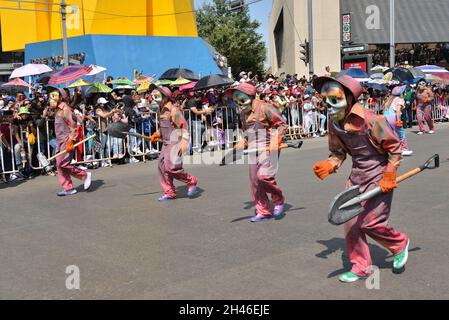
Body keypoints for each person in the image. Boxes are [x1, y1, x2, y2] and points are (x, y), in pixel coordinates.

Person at [312, 75, 409, 283]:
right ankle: (360, 266)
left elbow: (395, 149)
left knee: (371, 222)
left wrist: (390, 173)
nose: (329, 106)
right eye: (325, 100)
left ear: (349, 99)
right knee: (351, 223)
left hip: (379, 174)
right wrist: (330, 164)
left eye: (334, 100)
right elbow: (338, 152)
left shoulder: (372, 120)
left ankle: (399, 243)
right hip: (357, 176)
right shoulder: (334, 122)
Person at [226, 82, 288, 222]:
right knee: (255, 181)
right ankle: (263, 210)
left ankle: (278, 198)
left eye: (242, 100)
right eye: (236, 101)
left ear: (251, 96)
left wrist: (275, 140)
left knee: (263, 176)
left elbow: (282, 124)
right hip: (253, 148)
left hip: (268, 147)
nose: (239, 104)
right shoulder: (243, 114)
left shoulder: (266, 108)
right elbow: (246, 132)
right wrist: (243, 141)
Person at [149, 85, 198, 201]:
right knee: (161, 166)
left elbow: (183, 126)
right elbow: (164, 127)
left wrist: (185, 142)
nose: (154, 97)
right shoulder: (161, 109)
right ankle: (169, 191)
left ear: (165, 97)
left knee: (171, 168)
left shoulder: (173, 109)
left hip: (175, 142)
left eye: (157, 95)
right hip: (166, 142)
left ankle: (191, 180)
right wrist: (157, 133)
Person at [50, 89, 91, 196]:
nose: (51, 98)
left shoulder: (65, 109)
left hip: (66, 140)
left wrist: (70, 140)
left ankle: (84, 174)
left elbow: (73, 126)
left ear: (60, 97)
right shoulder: (57, 110)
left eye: (54, 96)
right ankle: (68, 188)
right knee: (59, 165)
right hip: (59, 141)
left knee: (63, 163)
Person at [383, 85, 413, 156]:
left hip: (385, 117)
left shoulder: (389, 99)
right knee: (401, 133)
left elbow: (384, 108)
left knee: (390, 134)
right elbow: (398, 111)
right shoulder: (400, 99)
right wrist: (398, 120)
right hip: (393, 117)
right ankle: (404, 149)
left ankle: (389, 149)